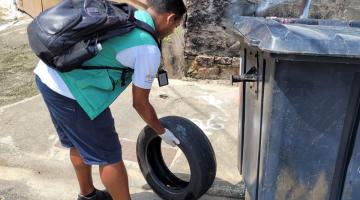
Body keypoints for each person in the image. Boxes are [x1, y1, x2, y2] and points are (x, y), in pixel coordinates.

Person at [33, 0, 187, 199]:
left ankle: (88, 195)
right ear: (170, 18)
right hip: (72, 92)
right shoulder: (148, 49)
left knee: (77, 143)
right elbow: (140, 103)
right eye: (175, 27)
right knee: (109, 156)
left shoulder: (131, 14)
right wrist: (161, 131)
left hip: (47, 74)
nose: (172, 31)